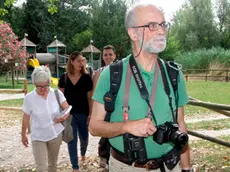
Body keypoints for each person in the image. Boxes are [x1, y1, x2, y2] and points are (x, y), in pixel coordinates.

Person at [89, 2, 192, 172]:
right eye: (152, 25)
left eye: (163, 24)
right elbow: (94, 127)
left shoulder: (174, 74)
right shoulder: (112, 74)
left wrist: (187, 168)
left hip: (170, 166)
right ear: (133, 33)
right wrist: (126, 126)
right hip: (126, 167)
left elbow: (180, 124)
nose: (161, 31)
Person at [21, 65, 70, 172]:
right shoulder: (29, 98)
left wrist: (62, 117)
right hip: (38, 136)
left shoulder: (57, 93)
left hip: (55, 134)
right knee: (41, 167)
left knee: (53, 165)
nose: (43, 89)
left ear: (49, 82)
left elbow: (67, 108)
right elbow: (25, 117)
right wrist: (23, 134)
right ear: (34, 84)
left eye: (46, 86)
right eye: (39, 86)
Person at [58, 51, 93, 172]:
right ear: (72, 62)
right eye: (78, 61)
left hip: (84, 113)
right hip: (69, 115)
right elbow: (60, 97)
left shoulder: (87, 78)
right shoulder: (64, 77)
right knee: (71, 140)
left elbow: (90, 97)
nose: (81, 63)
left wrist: (90, 114)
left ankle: (83, 153)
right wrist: (62, 114)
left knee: (84, 138)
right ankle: (75, 166)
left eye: (83, 60)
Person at [92, 45, 116, 168]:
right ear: (102, 56)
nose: (108, 57)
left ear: (115, 55)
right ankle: (104, 157)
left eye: (110, 54)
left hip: (118, 107)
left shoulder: (121, 70)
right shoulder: (99, 72)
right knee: (105, 133)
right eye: (105, 54)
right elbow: (95, 94)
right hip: (104, 108)